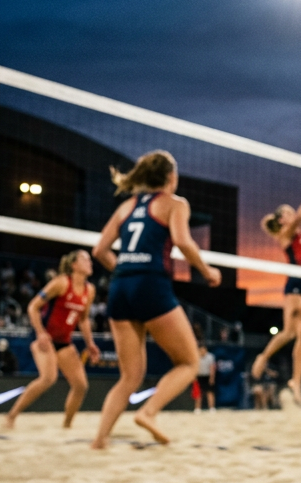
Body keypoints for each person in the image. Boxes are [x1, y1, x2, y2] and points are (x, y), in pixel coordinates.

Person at [90, 150, 222, 448]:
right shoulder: (175, 204)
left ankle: (99, 439)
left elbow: (99, 250)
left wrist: (126, 269)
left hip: (120, 286)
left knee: (129, 377)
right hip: (150, 283)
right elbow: (183, 242)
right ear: (170, 177)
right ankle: (148, 413)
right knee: (189, 362)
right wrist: (206, 271)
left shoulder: (127, 206)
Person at [4, 249, 101, 430]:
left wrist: (90, 344)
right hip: (45, 337)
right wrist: (40, 333)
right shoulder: (61, 283)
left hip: (64, 341)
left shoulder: (90, 290)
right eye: (85, 259)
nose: (90, 263)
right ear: (74, 265)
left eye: (90, 260)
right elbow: (33, 307)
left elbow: (84, 319)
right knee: (48, 378)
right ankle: (11, 416)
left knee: (81, 385)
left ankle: (67, 426)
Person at [250, 175, 301, 405]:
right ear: (282, 220)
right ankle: (263, 357)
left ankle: (297, 383)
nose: (293, 216)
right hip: (294, 283)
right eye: (289, 214)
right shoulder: (285, 235)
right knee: (290, 331)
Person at [195, 342, 216, 411]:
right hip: (199, 376)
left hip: (207, 376)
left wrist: (211, 378)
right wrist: (194, 377)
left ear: (206, 350)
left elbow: (212, 368)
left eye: (203, 349)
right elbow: (194, 368)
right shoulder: (196, 357)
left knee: (210, 392)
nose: (202, 351)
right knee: (198, 393)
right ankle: (197, 408)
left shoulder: (210, 357)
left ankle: (211, 408)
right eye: (200, 350)